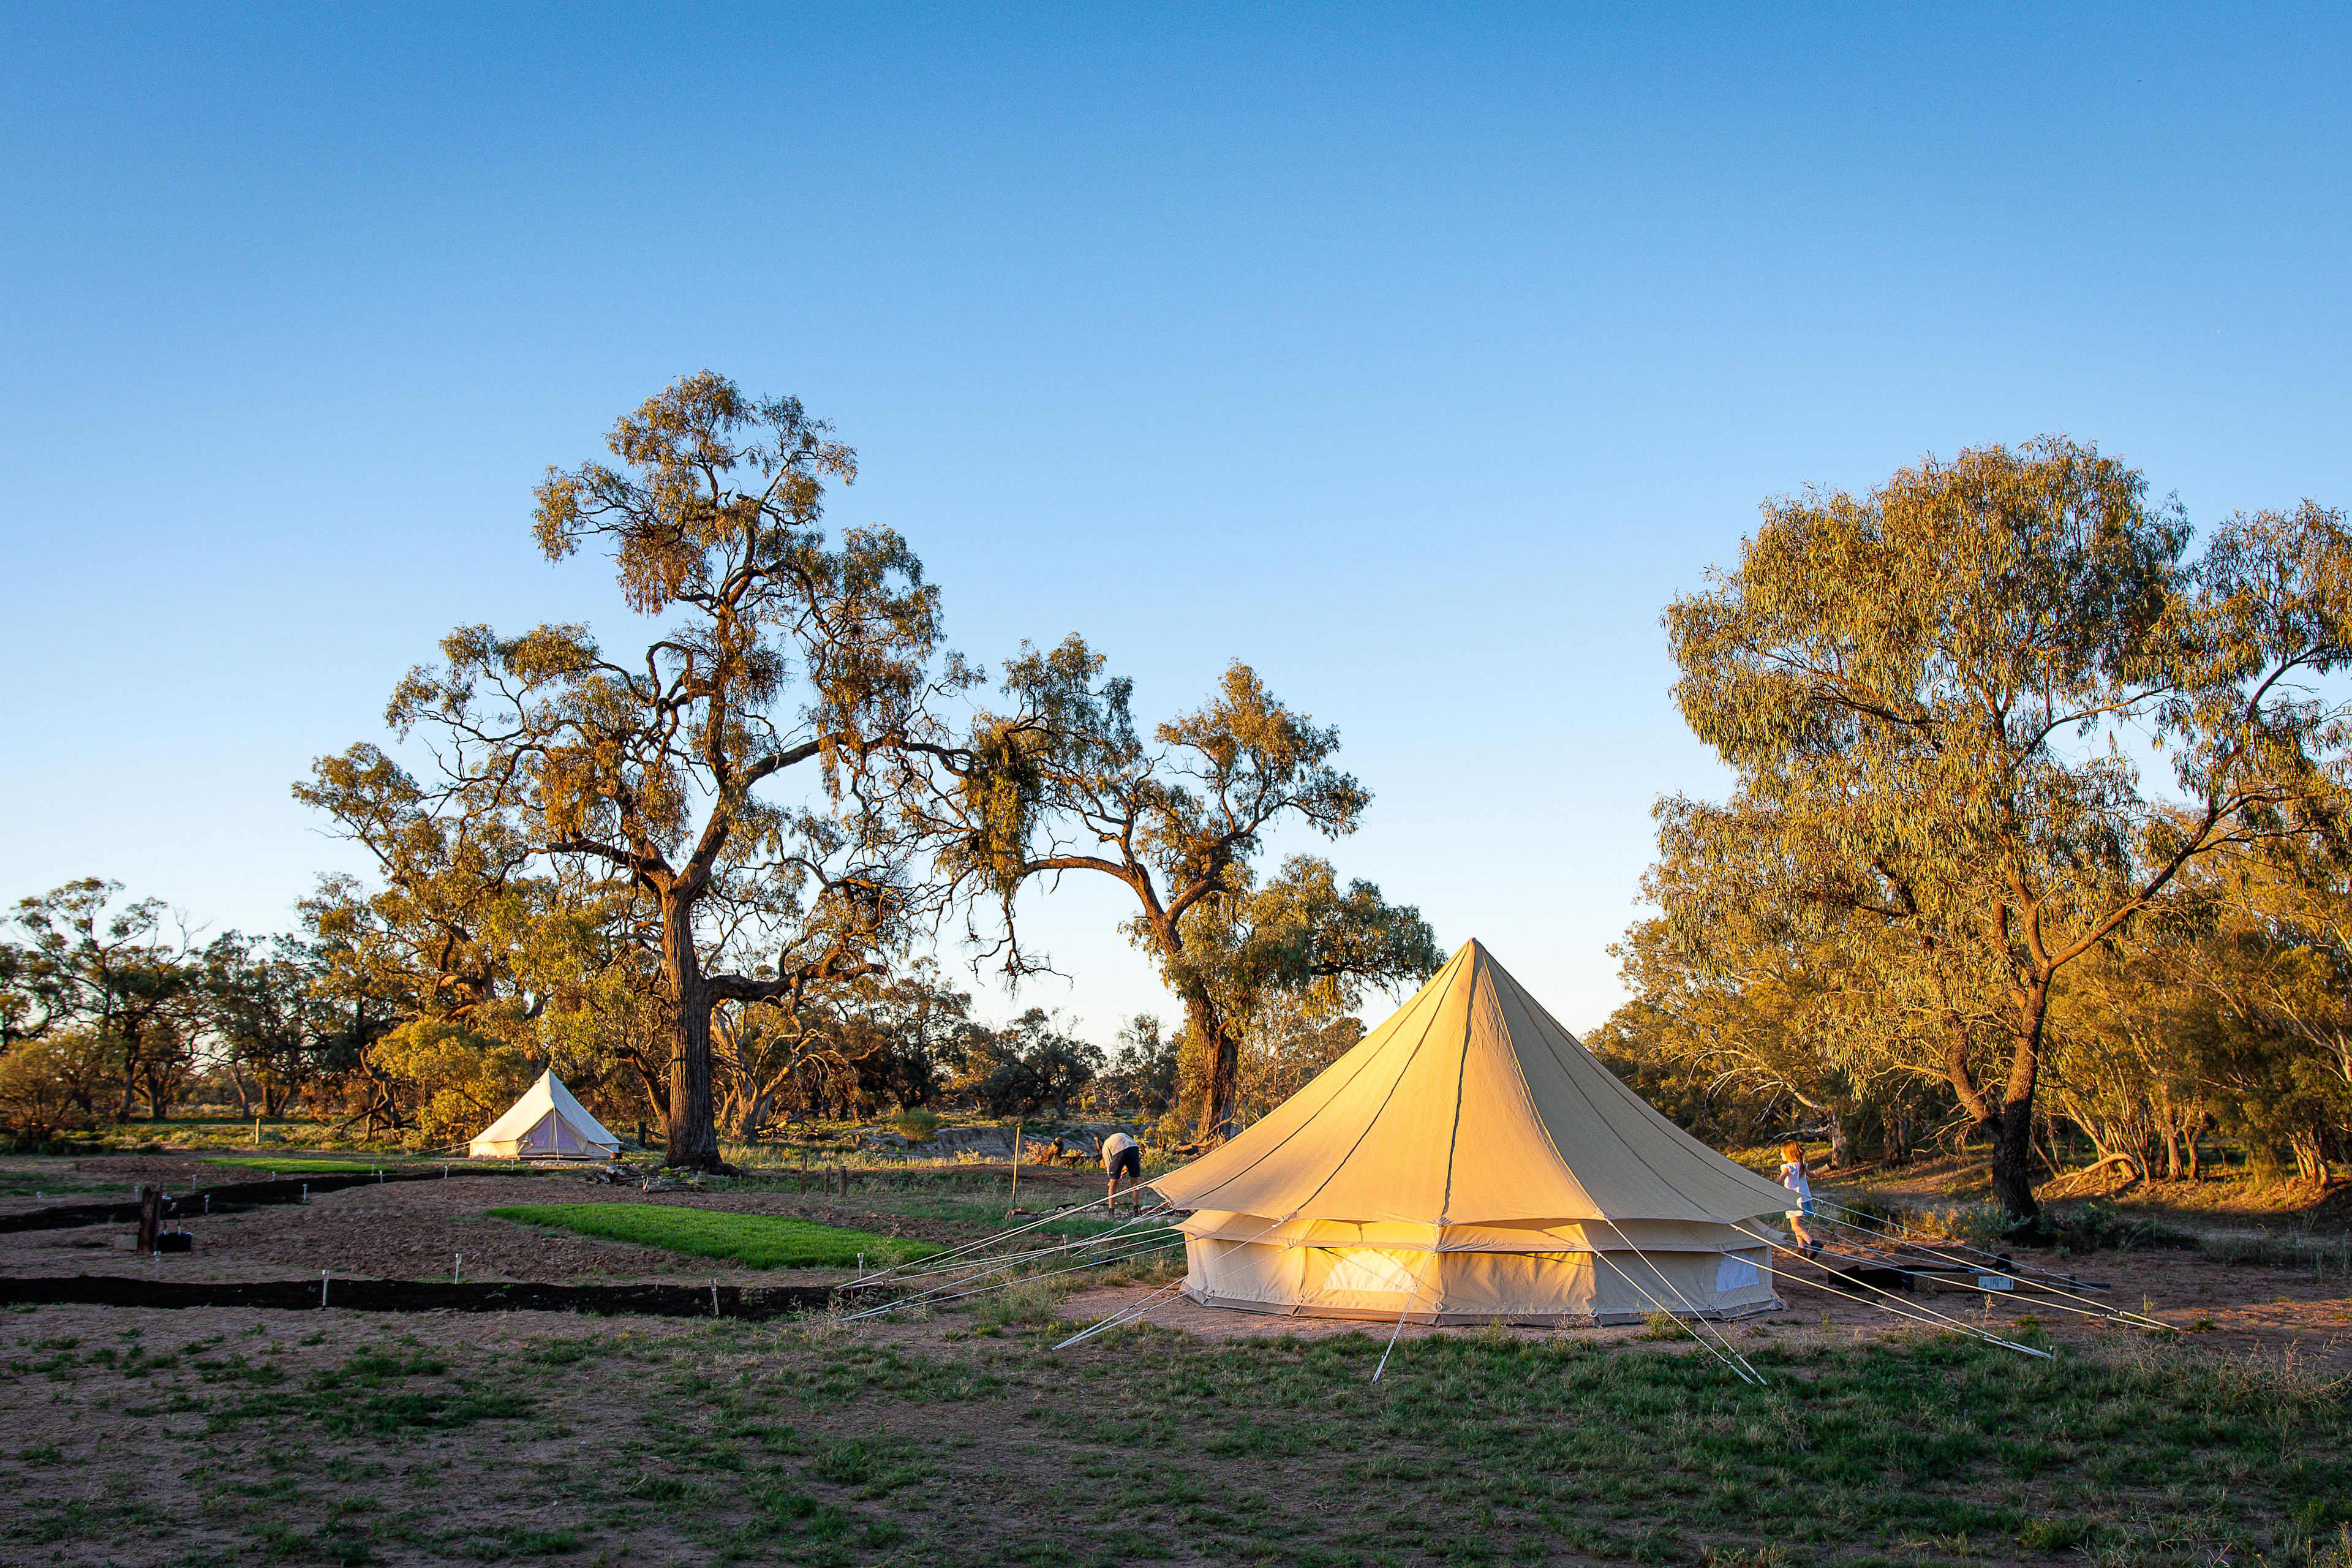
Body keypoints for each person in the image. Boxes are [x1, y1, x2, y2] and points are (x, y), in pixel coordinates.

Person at [1779, 1141, 1822, 1258]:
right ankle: (1801, 1248)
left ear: (1788, 1154)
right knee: (1797, 1224)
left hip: (1793, 1200)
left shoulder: (1787, 1167)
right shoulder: (1801, 1165)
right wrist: (1817, 1175)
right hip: (1804, 1199)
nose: (1780, 1154)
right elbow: (1811, 1175)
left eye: (1782, 1152)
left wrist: (1769, 1184)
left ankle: (1813, 1243)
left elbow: (1780, 1181)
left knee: (1795, 1226)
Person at [1101, 1129, 1143, 1212]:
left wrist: (1112, 1176)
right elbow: (1128, 1156)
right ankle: (1136, 1210)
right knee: (1135, 1182)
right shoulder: (1122, 1137)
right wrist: (1122, 1171)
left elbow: (1109, 1163)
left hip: (1120, 1151)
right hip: (1134, 1148)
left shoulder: (1106, 1146)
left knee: (1114, 1182)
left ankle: (1111, 1211)